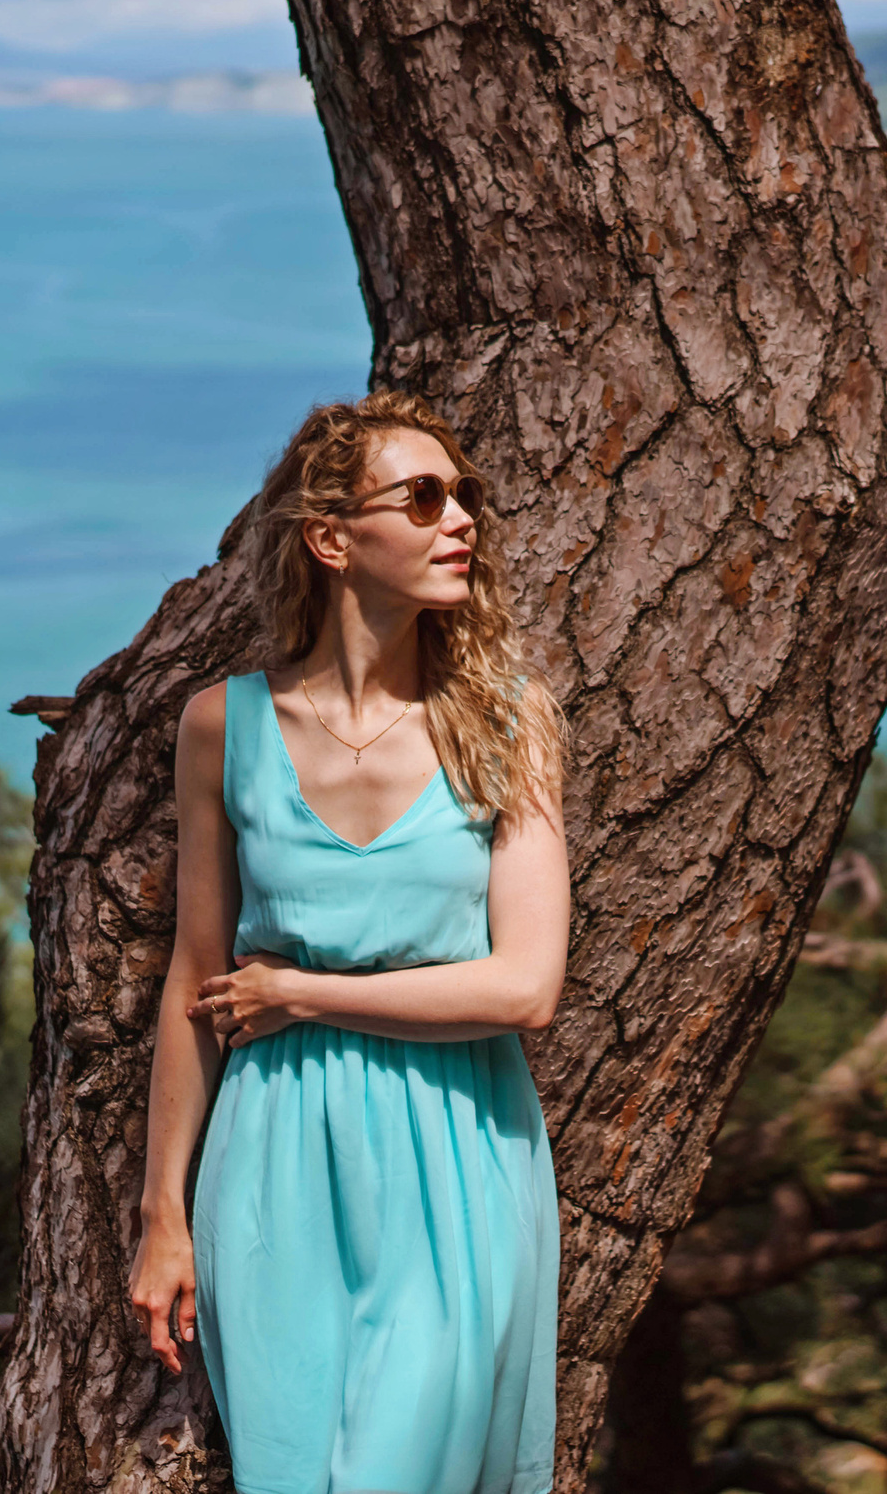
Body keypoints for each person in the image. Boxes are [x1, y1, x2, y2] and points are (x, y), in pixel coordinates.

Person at [126, 391, 569, 1494]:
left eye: (464, 496)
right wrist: (162, 1217)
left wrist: (308, 995)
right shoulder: (220, 726)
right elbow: (196, 975)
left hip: (456, 1151)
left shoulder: (510, 724)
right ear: (332, 539)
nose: (458, 517)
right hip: (272, 1162)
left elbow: (527, 988)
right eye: (422, 498)